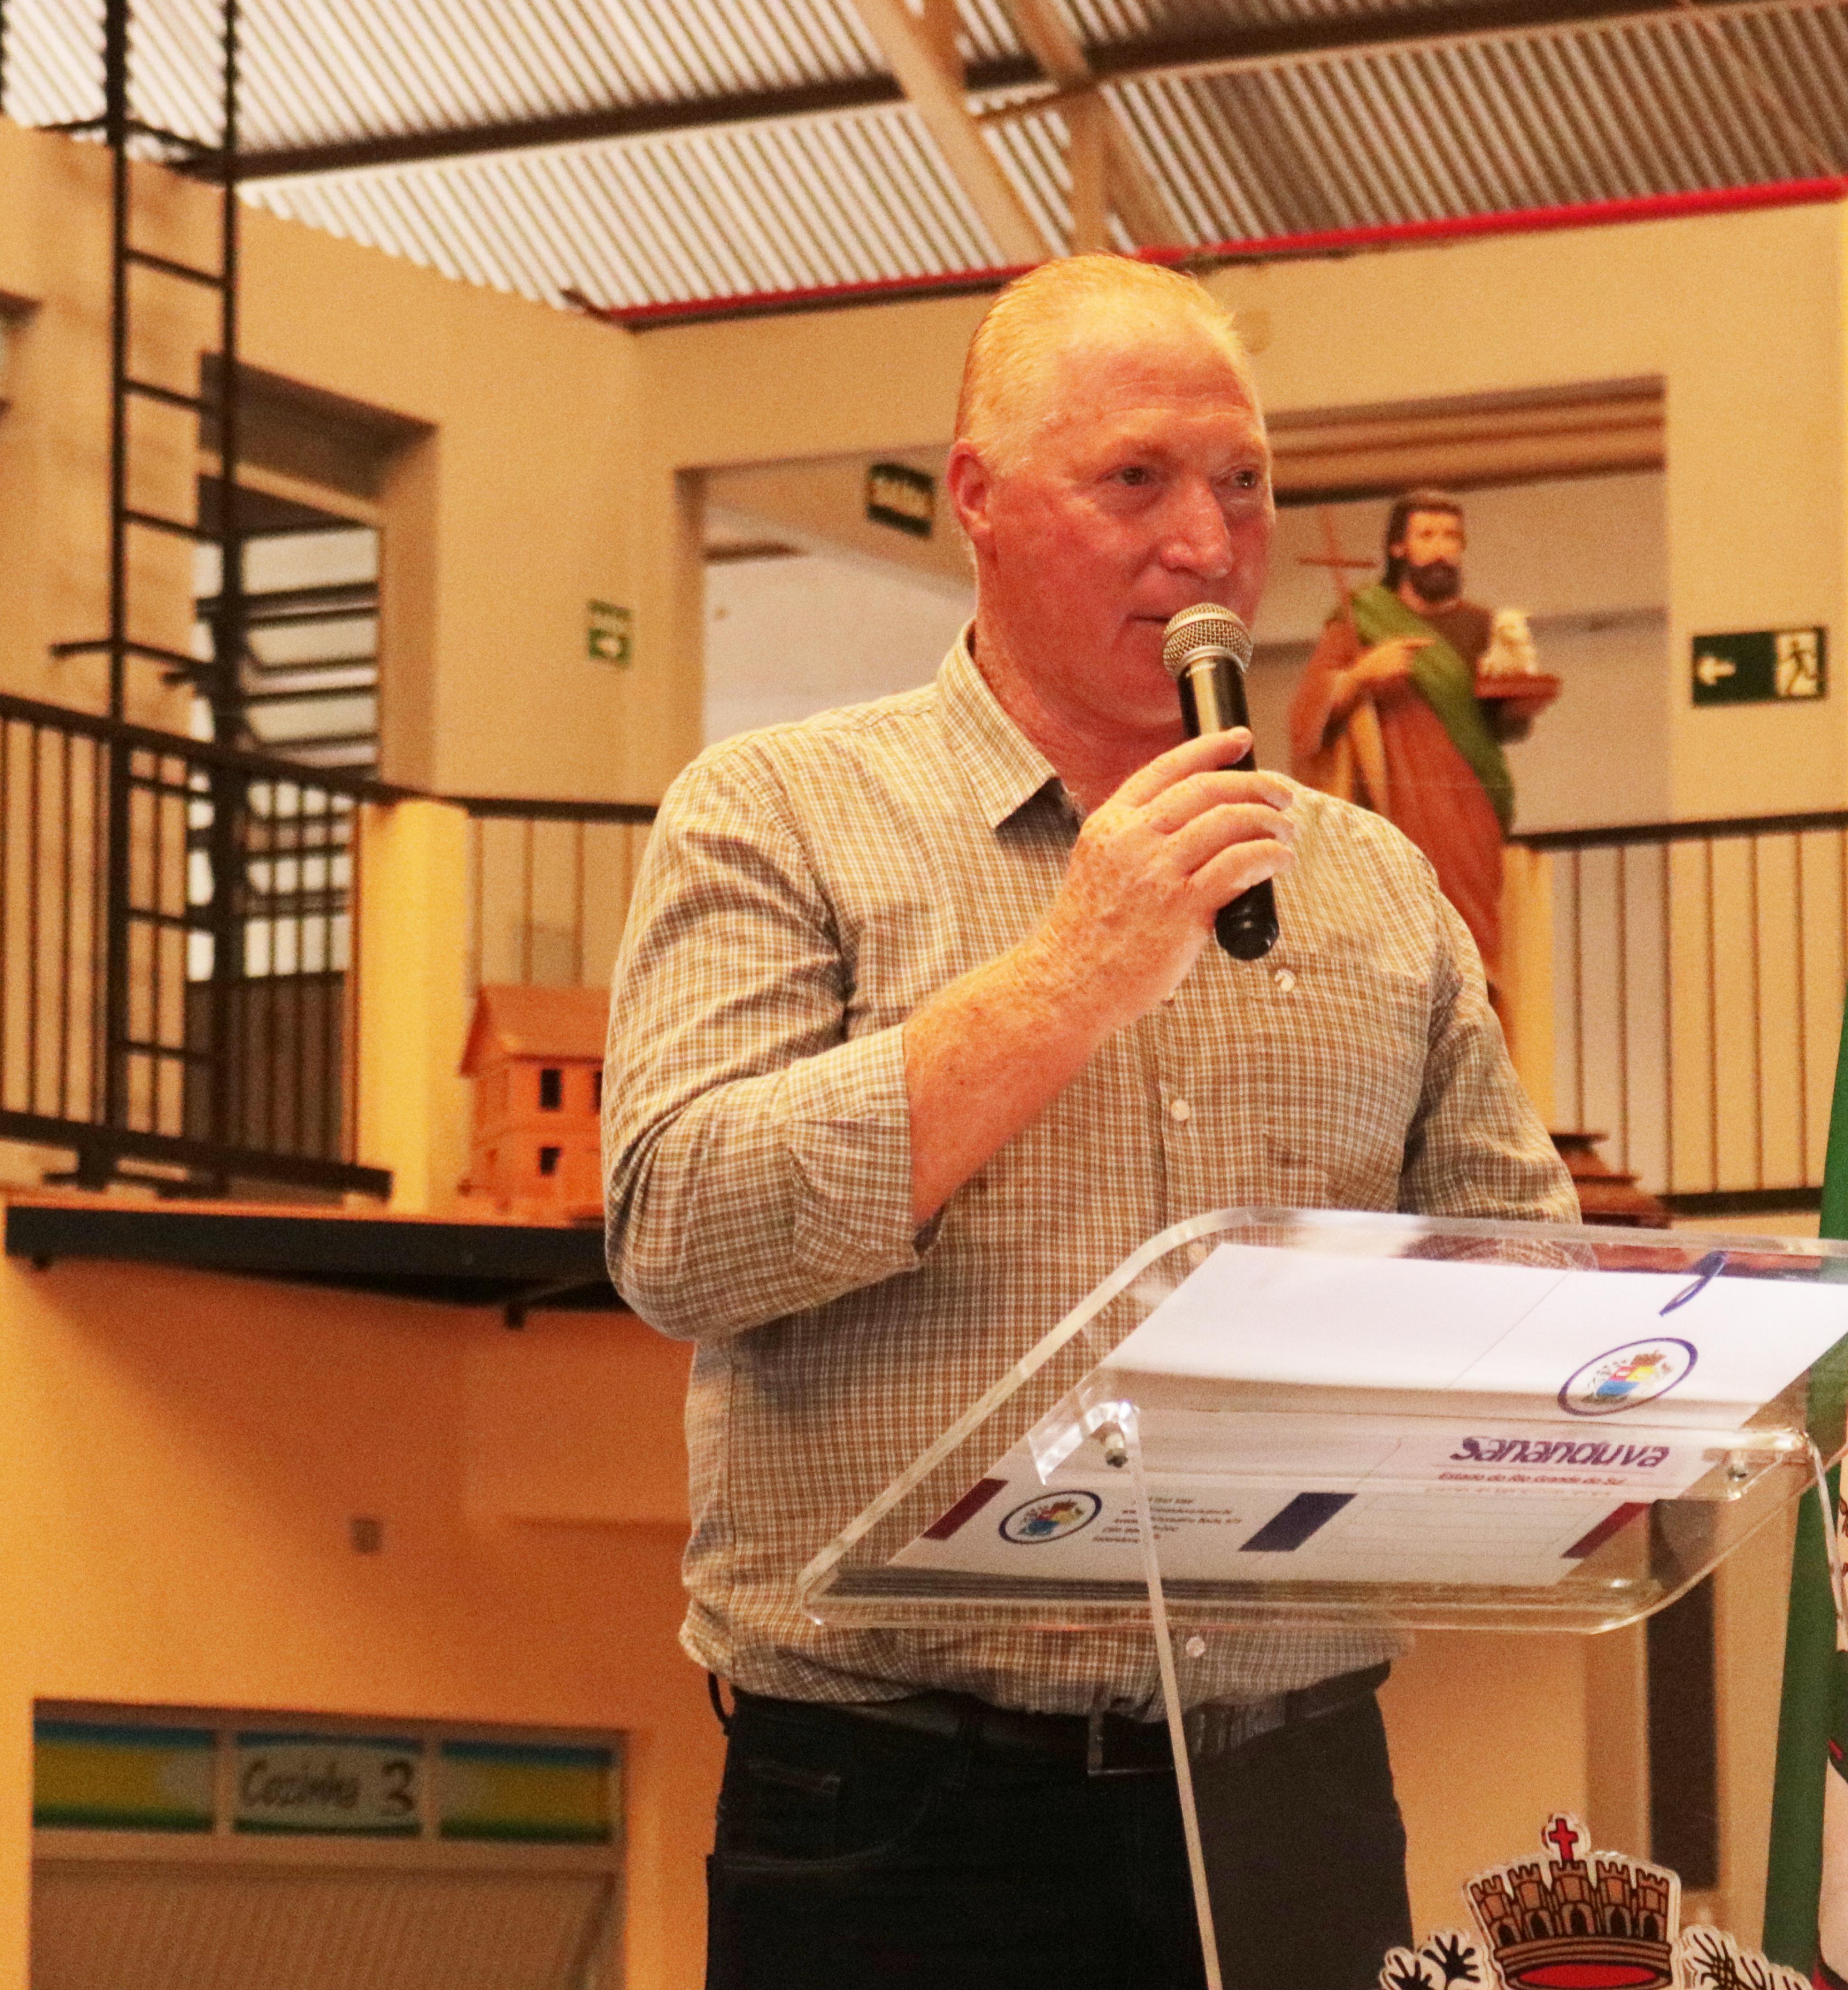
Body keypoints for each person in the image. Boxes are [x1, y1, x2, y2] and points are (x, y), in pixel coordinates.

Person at [602, 256, 1575, 1990]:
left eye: (1243, 483)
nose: (1207, 544)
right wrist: (1068, 978)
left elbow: (1528, 1289)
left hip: (1293, 1793)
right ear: (976, 497)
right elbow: (682, 1234)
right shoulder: (775, 812)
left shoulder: (1376, 883)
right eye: (1137, 479)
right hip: (899, 1812)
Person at [1287, 492, 1561, 987]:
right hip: (1398, 808)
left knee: (1474, 954)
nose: (1441, 549)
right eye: (1427, 535)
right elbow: (1306, 717)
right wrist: (1361, 676)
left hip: (1473, 809)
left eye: (1451, 537)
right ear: (1399, 548)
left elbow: (1499, 724)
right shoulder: (1362, 619)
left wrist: (1517, 704)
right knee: (1403, 947)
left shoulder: (1483, 626)